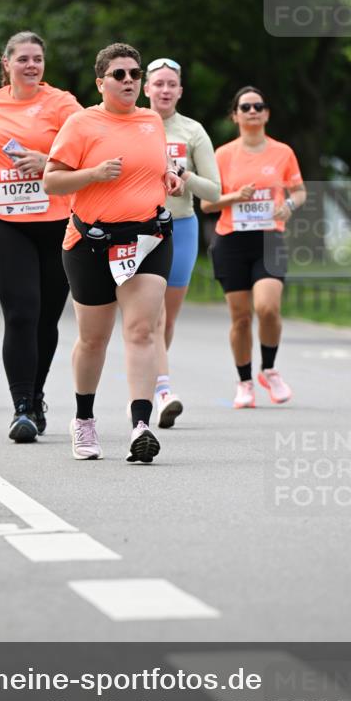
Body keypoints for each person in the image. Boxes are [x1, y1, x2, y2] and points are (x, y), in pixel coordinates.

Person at [44, 42, 184, 463]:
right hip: (91, 242)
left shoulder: (150, 121)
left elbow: (157, 168)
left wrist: (171, 177)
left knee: (141, 330)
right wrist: (93, 174)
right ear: (100, 81)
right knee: (93, 338)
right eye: (119, 74)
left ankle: (141, 426)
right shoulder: (82, 123)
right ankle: (83, 420)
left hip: (147, 238)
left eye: (134, 74)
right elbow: (52, 182)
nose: (128, 81)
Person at [0, 32, 82, 441]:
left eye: (38, 59)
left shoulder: (62, 104)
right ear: (6, 63)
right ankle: (22, 407)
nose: (31, 65)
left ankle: (38, 391)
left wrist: (47, 162)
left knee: (47, 318)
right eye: (23, 58)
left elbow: (89, 149)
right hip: (2, 220)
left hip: (57, 221)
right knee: (22, 311)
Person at [201, 86, 306, 407]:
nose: (252, 111)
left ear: (267, 113)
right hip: (231, 241)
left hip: (269, 239)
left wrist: (289, 205)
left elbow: (299, 191)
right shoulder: (222, 155)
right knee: (241, 318)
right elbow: (207, 203)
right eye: (245, 107)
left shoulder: (282, 152)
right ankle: (245, 381)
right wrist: (235, 197)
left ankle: (270, 370)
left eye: (259, 106)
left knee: (268, 308)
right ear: (235, 115)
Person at [144, 57, 221, 428]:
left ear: (180, 91)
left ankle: (153, 379)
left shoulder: (192, 131)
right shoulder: (132, 123)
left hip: (182, 226)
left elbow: (216, 191)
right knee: (154, 316)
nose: (164, 90)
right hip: (140, 227)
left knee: (167, 319)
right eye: (157, 83)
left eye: (171, 84)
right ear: (146, 89)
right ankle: (162, 390)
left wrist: (184, 174)